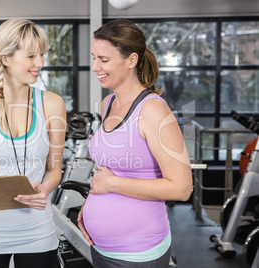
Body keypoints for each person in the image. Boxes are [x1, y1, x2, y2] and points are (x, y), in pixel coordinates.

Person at [77, 19, 193, 268]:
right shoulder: (108, 103)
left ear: (131, 60)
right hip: (101, 247)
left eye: (104, 60)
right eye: (94, 57)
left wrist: (112, 184)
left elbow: (182, 188)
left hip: (138, 253)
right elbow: (107, 169)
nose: (95, 66)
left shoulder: (152, 109)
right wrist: (90, 204)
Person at [0, 19, 66, 268]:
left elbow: (54, 170)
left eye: (41, 54)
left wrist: (45, 189)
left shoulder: (52, 104)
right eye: (31, 55)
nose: (39, 63)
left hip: (37, 232)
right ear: (5, 58)